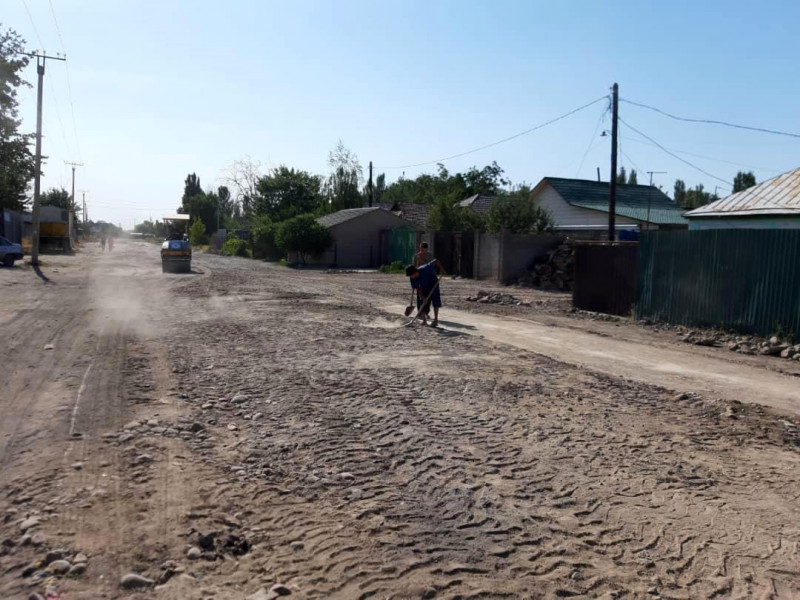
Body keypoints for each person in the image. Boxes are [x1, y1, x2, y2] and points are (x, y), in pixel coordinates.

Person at [406, 259, 446, 327]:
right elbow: (417, 287)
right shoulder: (412, 278)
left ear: (415, 272)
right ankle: (424, 321)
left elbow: (435, 261)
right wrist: (423, 297)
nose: (411, 277)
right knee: (423, 302)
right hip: (423, 287)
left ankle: (435, 320)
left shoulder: (425, 268)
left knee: (435, 302)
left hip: (434, 284)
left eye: (412, 275)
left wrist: (442, 269)